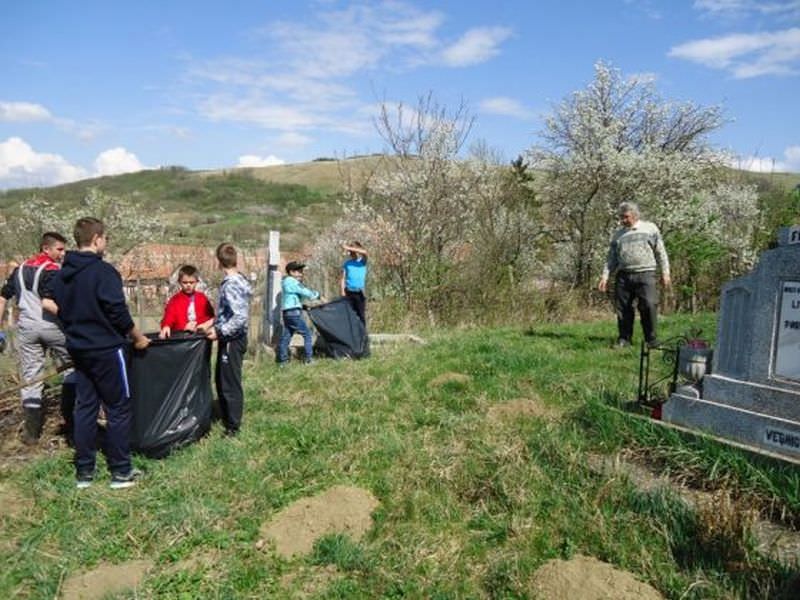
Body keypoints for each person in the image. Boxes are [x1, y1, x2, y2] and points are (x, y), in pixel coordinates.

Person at [49, 217, 150, 489]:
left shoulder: (62, 275)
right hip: (107, 349)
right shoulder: (103, 272)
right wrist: (138, 337)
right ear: (96, 239)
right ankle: (120, 471)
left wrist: (74, 328)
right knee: (117, 408)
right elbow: (117, 311)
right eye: (105, 238)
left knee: (85, 408)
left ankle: (85, 473)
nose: (105, 243)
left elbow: (55, 306)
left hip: (79, 349)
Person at [0, 232, 76, 444]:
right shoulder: (52, 270)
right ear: (46, 249)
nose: (63, 254)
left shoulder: (20, 269)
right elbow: (48, 303)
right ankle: (71, 422)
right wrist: (75, 319)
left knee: (31, 375)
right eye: (59, 249)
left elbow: (2, 297)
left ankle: (31, 434)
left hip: (26, 328)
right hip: (52, 326)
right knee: (73, 367)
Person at [598, 201, 671, 349]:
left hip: (646, 274)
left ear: (635, 215)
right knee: (623, 308)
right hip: (624, 276)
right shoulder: (618, 235)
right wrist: (605, 277)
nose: (623, 220)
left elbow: (660, 252)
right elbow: (611, 257)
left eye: (626, 217)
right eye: (621, 217)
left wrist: (665, 273)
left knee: (649, 305)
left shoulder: (650, 229)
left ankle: (651, 340)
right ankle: (624, 339)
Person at [206, 243, 252, 436]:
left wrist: (220, 332)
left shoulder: (232, 284)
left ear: (218, 262)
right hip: (231, 338)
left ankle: (233, 426)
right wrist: (213, 324)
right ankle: (227, 417)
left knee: (229, 382)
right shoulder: (239, 279)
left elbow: (239, 317)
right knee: (222, 379)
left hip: (233, 339)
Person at [277, 261, 320, 366]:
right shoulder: (291, 281)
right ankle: (308, 360)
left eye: (301, 271)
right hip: (293, 313)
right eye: (299, 271)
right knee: (307, 334)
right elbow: (304, 291)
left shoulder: (287, 282)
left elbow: (295, 298)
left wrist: (303, 306)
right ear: (291, 272)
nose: (301, 273)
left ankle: (283, 361)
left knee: (287, 335)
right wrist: (316, 295)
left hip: (288, 312)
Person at [159, 264, 215, 338]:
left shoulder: (202, 298)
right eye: (185, 282)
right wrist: (166, 326)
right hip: (182, 337)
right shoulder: (175, 300)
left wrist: (202, 326)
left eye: (191, 282)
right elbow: (169, 316)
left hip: (200, 337)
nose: (188, 285)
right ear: (179, 282)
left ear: (197, 282)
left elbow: (209, 316)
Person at [340, 241, 368, 325]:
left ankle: (362, 335)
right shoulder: (347, 264)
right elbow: (342, 278)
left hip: (359, 292)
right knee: (349, 315)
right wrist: (342, 291)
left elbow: (365, 252)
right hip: (349, 292)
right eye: (351, 252)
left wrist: (348, 247)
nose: (352, 253)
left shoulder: (362, 261)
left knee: (361, 315)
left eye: (354, 251)